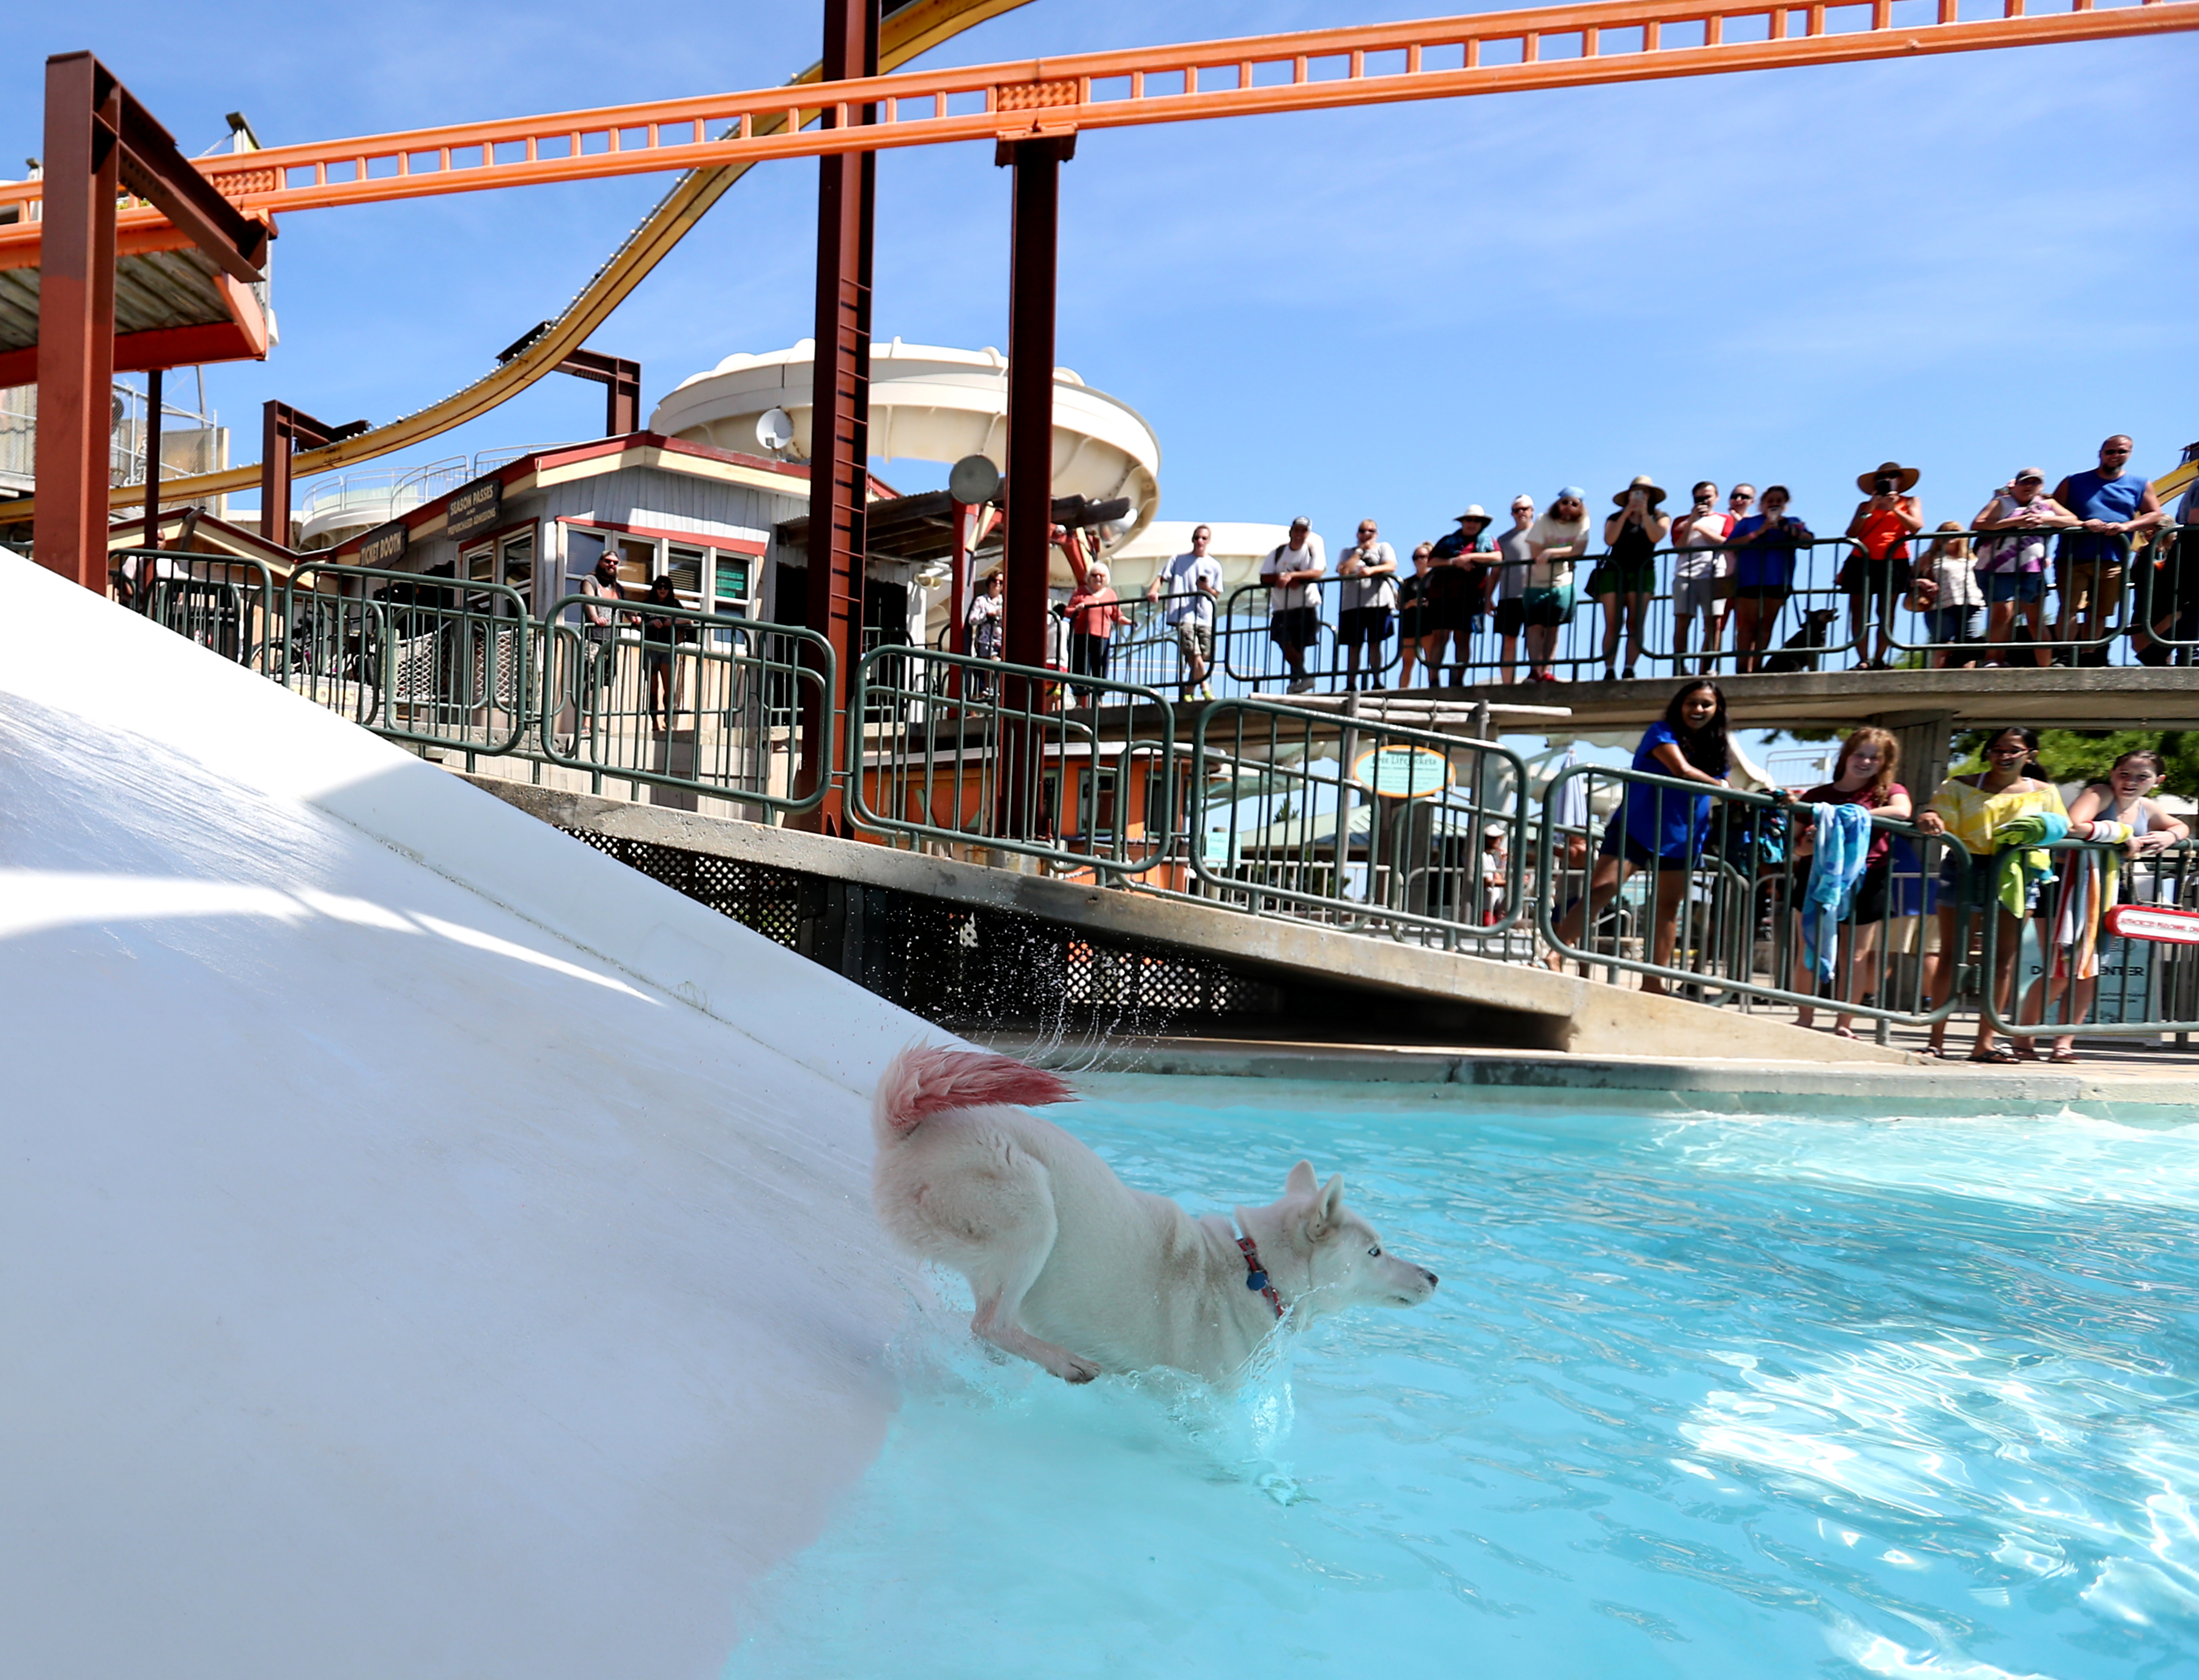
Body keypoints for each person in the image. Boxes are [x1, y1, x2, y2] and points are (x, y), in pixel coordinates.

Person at [1548, 681, 1732, 991]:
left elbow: (1713, 779)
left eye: (1706, 705)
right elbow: (1682, 770)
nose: (1698, 710)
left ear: (1718, 710)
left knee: (1669, 906)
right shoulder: (1661, 731)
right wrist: (1726, 789)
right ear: (1679, 706)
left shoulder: (1717, 746)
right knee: (1602, 888)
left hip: (1683, 834)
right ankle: (1555, 954)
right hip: (1637, 825)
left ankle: (1653, 981)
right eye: (1691, 703)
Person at [2017, 747, 2191, 1062]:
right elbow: (2073, 826)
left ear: (2157, 781)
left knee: (2089, 972)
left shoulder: (2147, 807)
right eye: (2124, 774)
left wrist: (2171, 836)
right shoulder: (2099, 793)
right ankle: (2023, 1040)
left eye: (2142, 777)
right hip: (2066, 890)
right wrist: (2119, 834)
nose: (2131, 782)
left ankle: (2064, 1044)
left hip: (2106, 894)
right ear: (2113, 774)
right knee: (2060, 971)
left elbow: (2180, 827)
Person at [1914, 727, 2071, 1062]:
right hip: (1965, 868)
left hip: (2018, 875)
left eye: (2013, 749)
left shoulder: (2045, 793)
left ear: (2030, 755)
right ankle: (1935, 1041)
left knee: (2002, 962)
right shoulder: (1959, 785)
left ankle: (1984, 1043)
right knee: (1951, 956)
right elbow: (1934, 812)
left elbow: (2060, 829)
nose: (2005, 755)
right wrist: (1928, 816)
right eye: (1998, 749)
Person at [1787, 727, 1912, 1037]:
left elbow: (1902, 812)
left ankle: (1845, 1023)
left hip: (1868, 879)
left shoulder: (1891, 791)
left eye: (1874, 757)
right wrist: (1814, 840)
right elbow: (1797, 848)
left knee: (1855, 955)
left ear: (1885, 763)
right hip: (1817, 879)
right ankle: (1805, 1018)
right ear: (1846, 756)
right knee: (1810, 947)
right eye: (1860, 754)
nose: (1866, 762)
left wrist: (1845, 817)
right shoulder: (1817, 797)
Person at [2051, 435, 2162, 664]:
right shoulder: (2073, 482)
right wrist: (2082, 524)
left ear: (2129, 454)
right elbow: (2053, 511)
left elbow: (2155, 514)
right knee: (2069, 608)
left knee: (2100, 611)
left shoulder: (2139, 484)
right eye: (2110, 452)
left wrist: (2126, 526)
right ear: (2101, 453)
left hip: (2114, 559)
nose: (2115, 456)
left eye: (2121, 452)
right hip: (2073, 558)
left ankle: (2089, 654)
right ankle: (2063, 654)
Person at [1970, 469, 2076, 668]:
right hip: (2000, 568)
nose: (2029, 486)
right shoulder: (2001, 503)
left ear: (2041, 487)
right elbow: (1979, 523)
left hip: (2033, 569)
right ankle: (1993, 660)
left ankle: (2046, 667)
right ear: (2016, 485)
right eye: (2026, 482)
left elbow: (2073, 520)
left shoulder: (2048, 504)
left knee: (2036, 619)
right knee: (2002, 613)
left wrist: (2044, 519)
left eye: (2035, 483)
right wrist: (2015, 522)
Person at [1842, 461, 1926, 670]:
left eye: (1893, 476)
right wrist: (1871, 508)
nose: (1887, 480)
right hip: (1862, 560)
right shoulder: (1865, 505)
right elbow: (1852, 533)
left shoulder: (1910, 501)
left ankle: (1879, 659)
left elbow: (1916, 527)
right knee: (1859, 612)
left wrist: (1894, 509)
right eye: (1883, 477)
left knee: (1886, 612)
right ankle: (1862, 659)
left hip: (1895, 561)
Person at [1589, 475, 1669, 682]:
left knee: (1636, 623)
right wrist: (1627, 513)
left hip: (1643, 572)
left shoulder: (1660, 516)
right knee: (1613, 623)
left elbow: (1656, 537)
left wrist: (1644, 514)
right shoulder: (1615, 518)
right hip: (1614, 572)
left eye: (1645, 492)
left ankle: (1629, 668)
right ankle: (1609, 669)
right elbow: (1610, 539)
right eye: (1636, 492)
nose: (1640, 495)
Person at [1727, 485, 1810, 673]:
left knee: (1766, 625)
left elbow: (1808, 542)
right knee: (1747, 625)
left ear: (1785, 504)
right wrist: (1758, 532)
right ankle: (1741, 668)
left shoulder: (1793, 522)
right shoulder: (1748, 523)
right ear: (1762, 503)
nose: (1774, 504)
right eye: (1770, 501)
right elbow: (1730, 544)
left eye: (1779, 501)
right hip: (1750, 578)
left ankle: (1756, 667)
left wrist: (1789, 530)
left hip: (1778, 579)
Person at [1521, 487, 1592, 682]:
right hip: (1535, 581)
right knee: (1535, 627)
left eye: (1574, 504)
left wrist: (1552, 553)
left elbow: (1580, 549)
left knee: (1554, 627)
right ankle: (1535, 669)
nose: (1569, 507)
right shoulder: (1545, 520)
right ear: (1558, 504)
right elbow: (1536, 551)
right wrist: (1559, 552)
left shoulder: (1583, 522)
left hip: (1562, 581)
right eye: (1565, 502)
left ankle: (1546, 670)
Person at [1147, 524, 1223, 700]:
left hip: (1205, 616)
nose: (1200, 541)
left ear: (1208, 541)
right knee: (1192, 651)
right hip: (1183, 614)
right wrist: (1154, 591)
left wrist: (1206, 588)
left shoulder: (1215, 566)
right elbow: (1162, 577)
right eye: (1197, 537)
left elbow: (1217, 593)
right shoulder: (1178, 560)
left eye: (1204, 538)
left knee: (1202, 655)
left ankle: (1189, 690)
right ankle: (1205, 686)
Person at [1425, 506, 1496, 686]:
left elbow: (1497, 557)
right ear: (1463, 522)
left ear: (1482, 524)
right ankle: (1434, 679)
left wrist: (1471, 558)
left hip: (1471, 597)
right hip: (1442, 595)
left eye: (1477, 520)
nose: (1472, 524)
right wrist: (1454, 562)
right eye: (1469, 520)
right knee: (1440, 638)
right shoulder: (1448, 541)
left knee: (1463, 639)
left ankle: (1458, 680)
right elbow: (1432, 561)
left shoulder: (1487, 542)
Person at [1670, 481, 1735, 675]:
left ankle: (1707, 667)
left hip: (1714, 574)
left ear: (1716, 498)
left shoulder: (1725, 519)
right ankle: (1680, 666)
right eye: (1699, 498)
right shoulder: (1681, 520)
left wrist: (1702, 529)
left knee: (1714, 622)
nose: (1704, 501)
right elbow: (1679, 546)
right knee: (1683, 620)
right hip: (1685, 574)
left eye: (1708, 496)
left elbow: (1726, 542)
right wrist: (1692, 522)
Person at [1261, 516, 1327, 693]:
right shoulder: (1278, 552)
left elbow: (1317, 571)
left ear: (1308, 534)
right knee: (1284, 641)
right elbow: (1264, 576)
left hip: (1306, 606)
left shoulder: (1313, 551)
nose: (1299, 534)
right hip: (1282, 608)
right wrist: (1282, 578)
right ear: (1291, 531)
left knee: (1299, 646)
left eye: (1303, 531)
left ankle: (1295, 681)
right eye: (1296, 530)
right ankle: (1303, 676)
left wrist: (1293, 576)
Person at [1336, 519, 1399, 692]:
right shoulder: (1347, 552)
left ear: (1376, 534)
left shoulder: (1383, 548)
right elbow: (1344, 570)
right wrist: (1359, 552)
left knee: (1375, 644)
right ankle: (1351, 683)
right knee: (1354, 646)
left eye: (1371, 531)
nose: (1366, 534)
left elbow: (1391, 565)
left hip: (1378, 604)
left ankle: (1377, 680)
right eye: (1363, 531)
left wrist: (1371, 570)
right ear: (1357, 534)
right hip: (1352, 605)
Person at [1911, 522, 1985, 668]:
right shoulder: (1929, 557)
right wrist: (1922, 581)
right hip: (1940, 606)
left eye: (1954, 531)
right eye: (1944, 531)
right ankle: (1938, 683)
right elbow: (1908, 579)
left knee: (1971, 646)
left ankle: (1967, 684)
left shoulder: (1973, 556)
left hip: (1972, 603)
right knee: (1944, 645)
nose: (1950, 534)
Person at [577, 550, 627, 732]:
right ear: (600, 563)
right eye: (608, 561)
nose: (612, 565)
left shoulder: (619, 588)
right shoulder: (590, 581)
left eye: (615, 562)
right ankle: (586, 723)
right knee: (589, 681)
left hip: (612, 641)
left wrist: (636, 619)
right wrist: (595, 617)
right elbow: (589, 601)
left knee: (601, 683)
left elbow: (628, 610)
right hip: (594, 638)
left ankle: (595, 721)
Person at [1064, 561, 1128, 702]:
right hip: (1082, 635)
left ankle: (1098, 700)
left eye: (1101, 576)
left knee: (1100, 668)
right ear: (1089, 577)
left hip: (1102, 636)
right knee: (1081, 668)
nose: (1098, 578)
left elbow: (1117, 615)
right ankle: (1081, 701)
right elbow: (1068, 611)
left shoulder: (1110, 594)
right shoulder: (1080, 592)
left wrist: (1129, 622)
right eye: (1095, 575)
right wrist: (1077, 609)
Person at [1489, 497, 1535, 684]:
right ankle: (1508, 683)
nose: (1521, 513)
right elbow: (1496, 571)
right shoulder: (1504, 539)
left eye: (1525, 509)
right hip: (1509, 597)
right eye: (1517, 510)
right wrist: (1488, 598)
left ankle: (1536, 675)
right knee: (1509, 640)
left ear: (1532, 510)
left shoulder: (1541, 535)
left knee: (1535, 638)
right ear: (1512, 514)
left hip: (1535, 594)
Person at [638, 572, 691, 730]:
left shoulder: (675, 605)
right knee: (653, 688)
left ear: (670, 589)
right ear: (655, 588)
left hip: (668, 649)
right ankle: (654, 722)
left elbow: (690, 619)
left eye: (666, 586)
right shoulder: (647, 604)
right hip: (650, 648)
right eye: (659, 586)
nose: (662, 589)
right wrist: (651, 622)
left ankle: (669, 721)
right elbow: (637, 620)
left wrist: (672, 621)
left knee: (669, 688)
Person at [1394, 543, 1439, 687]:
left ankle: (1434, 687)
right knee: (1407, 662)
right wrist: (1411, 603)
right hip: (1410, 622)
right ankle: (1401, 692)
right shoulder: (1407, 582)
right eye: (1416, 557)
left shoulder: (1436, 579)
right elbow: (1398, 605)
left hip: (1429, 622)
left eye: (1423, 557)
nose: (1420, 560)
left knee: (1431, 659)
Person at [965, 571, 1003, 697]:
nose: (997, 584)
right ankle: (988, 689)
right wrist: (987, 616)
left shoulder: (1005, 602)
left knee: (997, 665)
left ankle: (996, 690)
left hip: (1001, 640)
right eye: (995, 581)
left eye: (1001, 582)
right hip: (986, 639)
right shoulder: (981, 600)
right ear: (989, 583)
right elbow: (972, 620)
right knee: (989, 667)